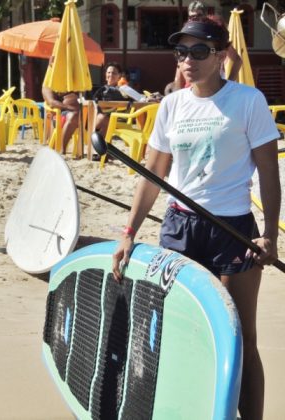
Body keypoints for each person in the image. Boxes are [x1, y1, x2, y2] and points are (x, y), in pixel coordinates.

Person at [112, 16, 280, 420]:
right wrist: (129, 233)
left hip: (232, 229)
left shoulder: (247, 102)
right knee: (182, 335)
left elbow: (269, 176)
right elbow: (152, 179)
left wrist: (270, 235)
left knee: (239, 338)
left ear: (221, 56)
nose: (188, 60)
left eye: (200, 51)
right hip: (180, 227)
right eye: (182, 51)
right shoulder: (171, 105)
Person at [173, 0, 242, 90]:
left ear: (205, 15)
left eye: (199, 15)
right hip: (190, 89)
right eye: (191, 17)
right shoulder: (186, 34)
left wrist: (229, 84)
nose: (195, 19)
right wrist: (178, 94)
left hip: (215, 89)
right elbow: (179, 68)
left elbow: (237, 60)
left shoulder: (214, 34)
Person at [41, 86, 80, 155]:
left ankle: (101, 152)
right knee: (73, 116)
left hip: (81, 112)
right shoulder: (48, 86)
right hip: (62, 113)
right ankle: (63, 150)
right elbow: (52, 102)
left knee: (103, 118)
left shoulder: (69, 83)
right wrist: (70, 108)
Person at [91, 62, 127, 136]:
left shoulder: (123, 90)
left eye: (114, 73)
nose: (110, 75)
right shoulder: (99, 90)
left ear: (119, 76)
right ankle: (100, 143)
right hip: (95, 118)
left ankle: (100, 143)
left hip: (113, 119)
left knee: (107, 119)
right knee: (105, 118)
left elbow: (137, 99)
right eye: (109, 72)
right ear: (105, 75)